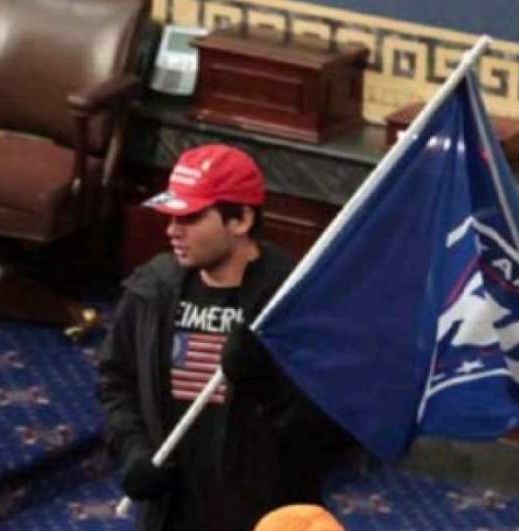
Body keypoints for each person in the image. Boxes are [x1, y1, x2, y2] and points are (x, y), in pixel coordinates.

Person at [97, 144, 353, 531]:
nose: (172, 231)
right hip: (171, 515)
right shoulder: (153, 289)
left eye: (191, 217)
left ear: (241, 219)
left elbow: (334, 434)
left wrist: (267, 386)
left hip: (265, 515)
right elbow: (116, 383)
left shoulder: (294, 303)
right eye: (170, 216)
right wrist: (133, 450)